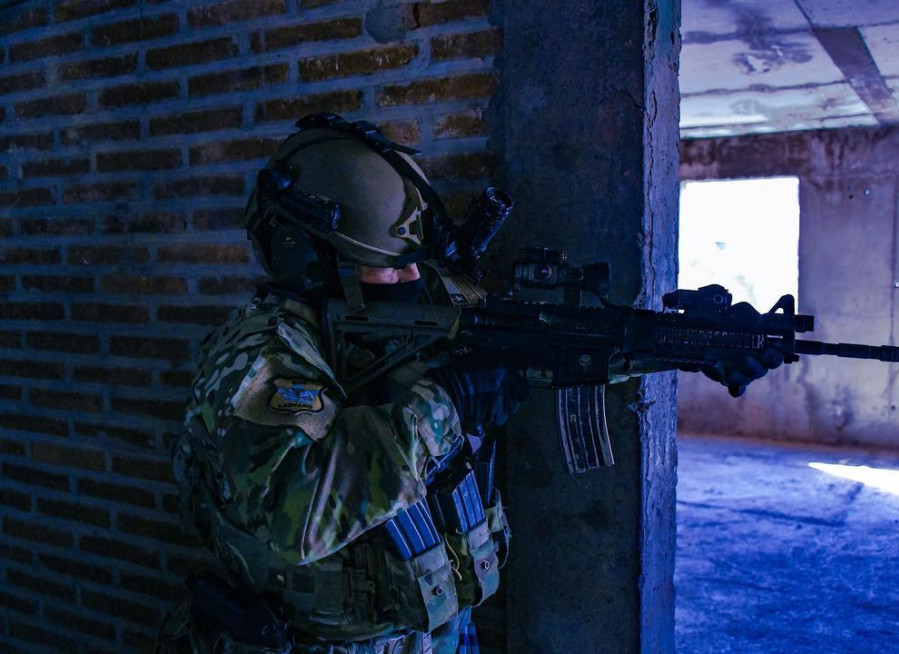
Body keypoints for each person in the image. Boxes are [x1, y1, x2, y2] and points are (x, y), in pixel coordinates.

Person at [158, 113, 779, 654]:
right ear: (309, 261)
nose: (411, 277)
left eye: (413, 259)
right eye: (389, 265)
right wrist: (448, 402)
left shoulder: (423, 301)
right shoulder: (261, 354)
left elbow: (554, 345)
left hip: (439, 628)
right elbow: (293, 514)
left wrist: (685, 348)